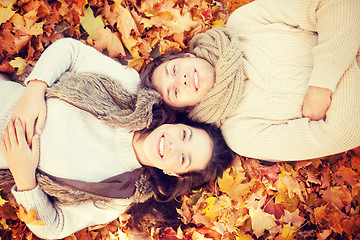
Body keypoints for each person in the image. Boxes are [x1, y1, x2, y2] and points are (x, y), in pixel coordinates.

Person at [0, 69, 234, 239]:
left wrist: (25, 180)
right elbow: (69, 50)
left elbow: (54, 227)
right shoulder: (130, 90)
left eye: (184, 158)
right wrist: (34, 90)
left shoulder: (117, 196)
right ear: (177, 124)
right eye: (184, 135)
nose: (175, 145)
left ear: (173, 172)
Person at [141, 0, 360, 161]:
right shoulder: (242, 134)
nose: (183, 80)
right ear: (188, 109)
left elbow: (337, 4)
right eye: (175, 92)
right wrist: (344, 42)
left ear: (186, 56)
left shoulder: (244, 24)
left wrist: (322, 85)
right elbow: (347, 132)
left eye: (175, 69)